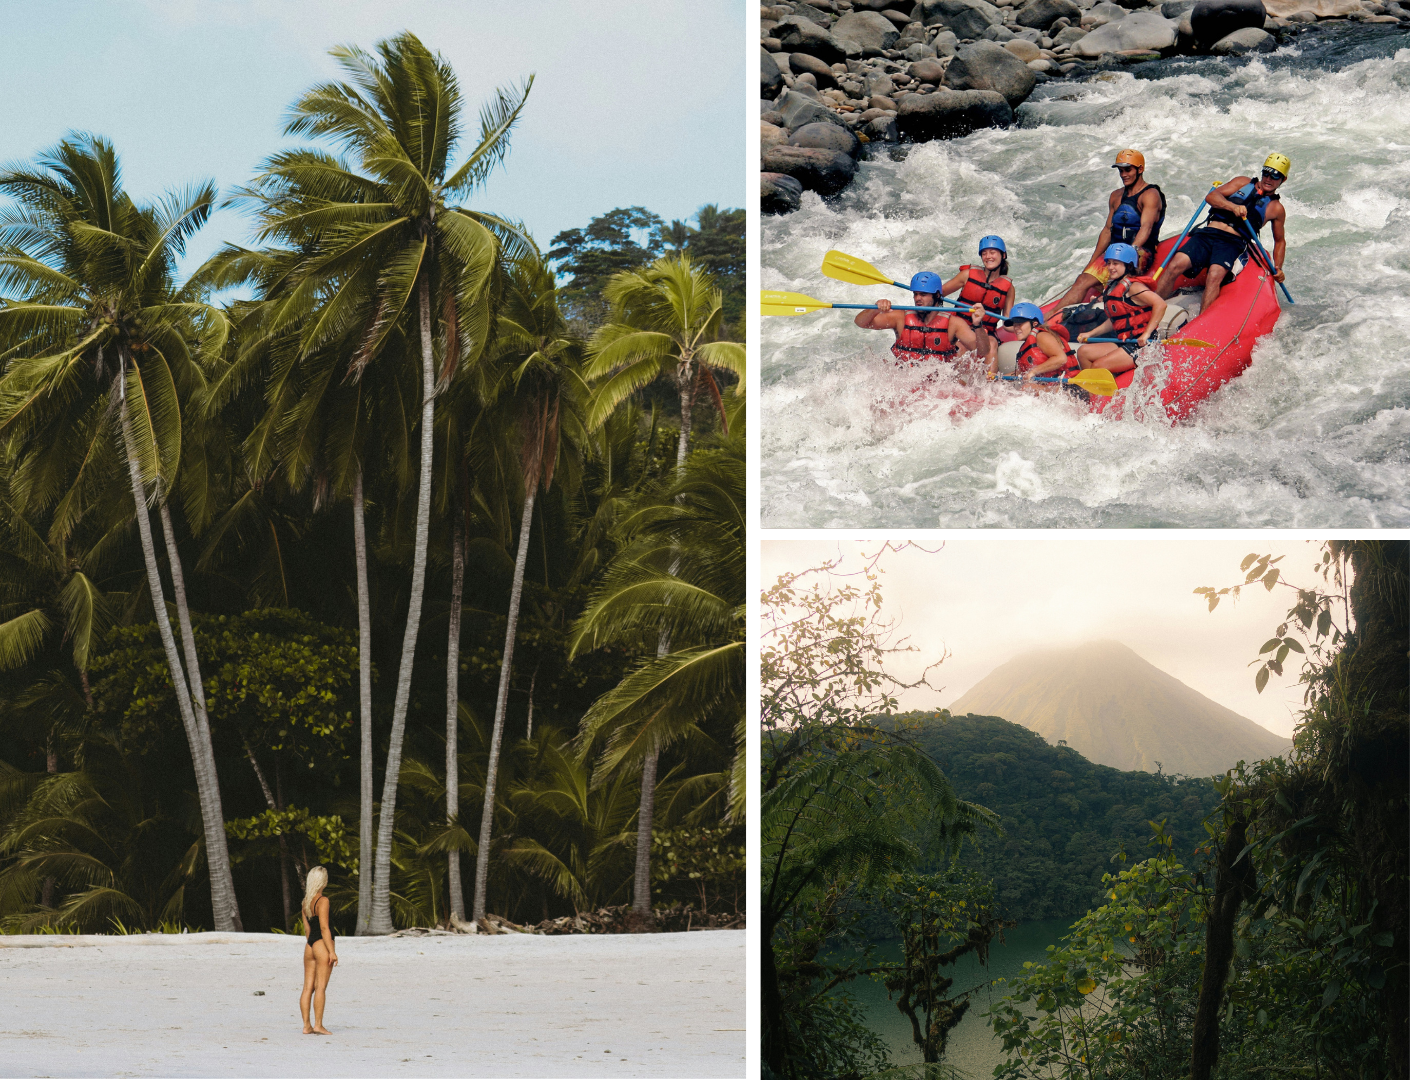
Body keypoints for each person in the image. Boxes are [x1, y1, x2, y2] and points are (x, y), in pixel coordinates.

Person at [1154, 153, 1289, 312]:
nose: (1268, 179)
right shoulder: (1242, 182)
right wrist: (1232, 207)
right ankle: (1151, 310)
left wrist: (1278, 267)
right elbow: (1212, 196)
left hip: (1232, 243)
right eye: (1266, 173)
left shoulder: (1276, 208)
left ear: (1283, 179)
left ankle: (1200, 327)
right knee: (1176, 264)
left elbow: (1279, 241)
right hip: (1208, 233)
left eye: (1275, 176)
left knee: (1215, 274)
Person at [1054, 149, 1167, 309]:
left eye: (1128, 169)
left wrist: (1130, 253)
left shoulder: (1150, 194)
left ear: (1140, 169)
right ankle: (1049, 318)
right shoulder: (1115, 196)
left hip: (1140, 252)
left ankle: (1110, 298)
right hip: (1115, 250)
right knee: (1082, 280)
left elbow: (1146, 228)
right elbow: (1108, 230)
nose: (1123, 174)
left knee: (1115, 282)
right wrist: (1092, 261)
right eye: (1121, 170)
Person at [852, 271, 989, 370]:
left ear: (936, 295)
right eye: (916, 294)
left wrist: (978, 325)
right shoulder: (900, 317)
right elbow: (861, 323)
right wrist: (875, 308)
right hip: (905, 378)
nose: (918, 298)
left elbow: (982, 351)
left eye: (923, 294)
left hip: (938, 385)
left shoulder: (954, 324)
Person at [1074, 243, 1166, 376]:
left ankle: (1100, 394)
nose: (1110, 267)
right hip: (1125, 341)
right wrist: (1090, 334)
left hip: (1141, 345)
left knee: (1098, 366)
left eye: (1116, 263)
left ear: (1128, 265)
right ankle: (1094, 393)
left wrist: (1146, 334)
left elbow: (1160, 304)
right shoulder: (1113, 287)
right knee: (1083, 353)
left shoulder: (1133, 287)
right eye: (1109, 263)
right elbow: (1116, 320)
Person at [939, 236, 1015, 367]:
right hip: (960, 326)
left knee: (991, 344)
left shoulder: (1008, 288)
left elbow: (1006, 321)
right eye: (984, 253)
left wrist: (1021, 326)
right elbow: (939, 294)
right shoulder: (967, 275)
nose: (988, 257)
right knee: (961, 346)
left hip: (985, 330)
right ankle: (953, 382)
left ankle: (988, 383)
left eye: (992, 252)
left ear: (1003, 255)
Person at [999, 302, 1081, 387]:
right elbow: (1022, 373)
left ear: (1034, 323)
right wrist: (999, 378)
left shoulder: (1042, 336)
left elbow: (1061, 359)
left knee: (1028, 387)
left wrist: (1034, 371)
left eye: (1020, 324)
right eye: (1015, 325)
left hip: (1070, 386)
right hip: (1052, 387)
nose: (1016, 328)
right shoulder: (1027, 345)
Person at [299, 865, 339, 1035]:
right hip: (322, 944)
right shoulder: (323, 901)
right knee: (320, 987)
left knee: (308, 988)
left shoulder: (306, 902)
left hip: (309, 946)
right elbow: (324, 928)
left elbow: (308, 930)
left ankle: (306, 1026)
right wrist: (332, 951)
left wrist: (311, 944)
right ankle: (318, 1025)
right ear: (323, 881)